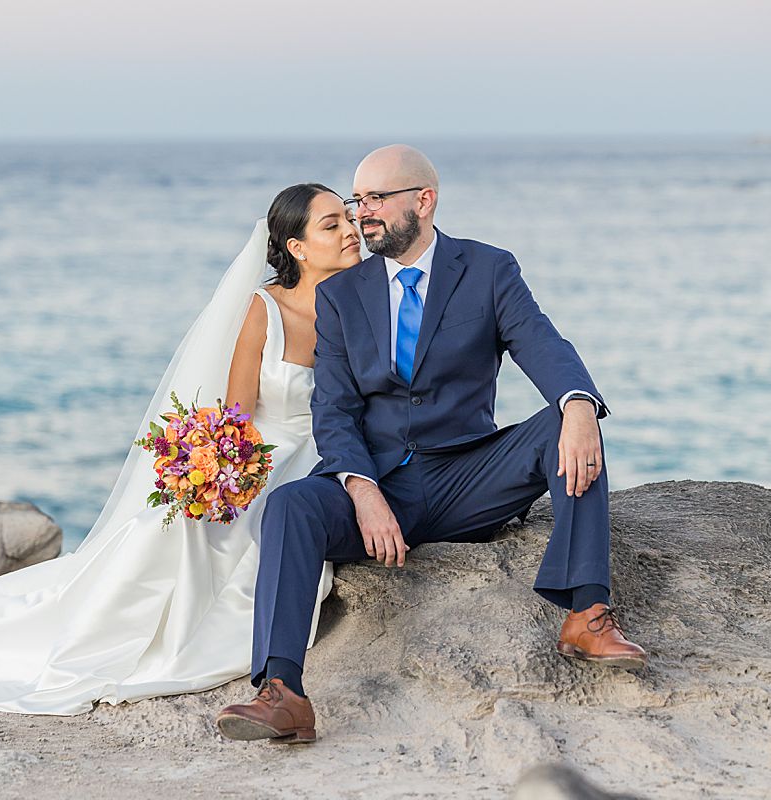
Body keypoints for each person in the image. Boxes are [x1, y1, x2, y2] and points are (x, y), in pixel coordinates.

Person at [0, 184, 363, 716]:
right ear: (296, 247)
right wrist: (223, 476)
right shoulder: (263, 309)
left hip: (320, 456)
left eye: (349, 219)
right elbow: (238, 413)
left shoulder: (360, 301)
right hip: (262, 455)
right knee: (175, 536)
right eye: (331, 224)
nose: (350, 231)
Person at [215, 145, 647, 745]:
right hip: (382, 483)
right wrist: (361, 490)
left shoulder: (489, 269)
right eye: (357, 200)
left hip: (470, 476)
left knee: (569, 424)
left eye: (375, 200)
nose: (363, 215)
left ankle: (587, 615)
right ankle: (282, 692)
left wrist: (578, 403)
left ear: (424, 200)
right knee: (290, 503)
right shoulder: (343, 295)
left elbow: (542, 343)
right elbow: (333, 409)